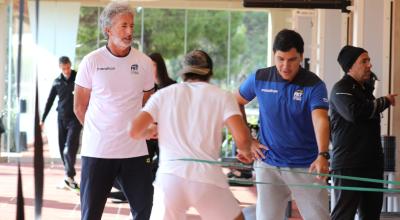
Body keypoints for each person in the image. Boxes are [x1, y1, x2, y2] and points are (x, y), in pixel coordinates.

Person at [129, 49, 253, 220]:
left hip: (170, 179)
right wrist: (245, 151)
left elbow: (134, 130)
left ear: (184, 73)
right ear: (209, 73)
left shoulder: (164, 94)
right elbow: (242, 139)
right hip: (207, 179)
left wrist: (151, 131)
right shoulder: (223, 96)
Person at [235, 29, 330, 220]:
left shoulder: (314, 84)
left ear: (301, 57)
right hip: (268, 163)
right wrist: (248, 140)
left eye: (292, 59)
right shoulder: (259, 78)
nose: (285, 66)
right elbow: (235, 102)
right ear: (274, 55)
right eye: (280, 59)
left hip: (306, 165)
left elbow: (320, 118)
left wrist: (322, 154)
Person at [73, 2, 155, 220]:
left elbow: (149, 103)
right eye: (123, 26)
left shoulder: (144, 63)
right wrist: (101, 130)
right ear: (108, 29)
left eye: (132, 26)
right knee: (90, 214)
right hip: (98, 151)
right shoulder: (91, 61)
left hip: (135, 152)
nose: (129, 31)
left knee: (144, 211)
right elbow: (79, 106)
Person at [330, 45, 397, 220]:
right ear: (350, 66)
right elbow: (355, 113)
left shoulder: (365, 91)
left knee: (371, 215)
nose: (369, 65)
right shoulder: (340, 88)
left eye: (369, 61)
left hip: (372, 164)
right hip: (348, 165)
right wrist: (385, 101)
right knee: (343, 216)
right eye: (364, 61)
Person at [41, 56, 82, 191]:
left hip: (75, 120)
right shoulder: (57, 82)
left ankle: (69, 176)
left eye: (68, 67)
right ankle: (68, 178)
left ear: (70, 65)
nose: (66, 70)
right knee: (62, 149)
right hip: (61, 118)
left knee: (68, 149)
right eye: (64, 68)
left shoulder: (79, 78)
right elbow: (49, 101)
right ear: (60, 68)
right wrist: (42, 120)